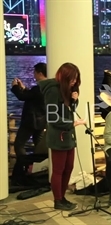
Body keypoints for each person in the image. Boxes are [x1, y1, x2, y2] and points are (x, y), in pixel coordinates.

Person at [39, 63, 86, 211]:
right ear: (64, 77)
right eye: (72, 79)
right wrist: (71, 123)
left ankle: (62, 197)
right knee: (59, 169)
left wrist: (74, 100)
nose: (74, 82)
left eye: (76, 79)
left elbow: (68, 110)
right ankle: (58, 200)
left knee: (69, 167)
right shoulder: (53, 91)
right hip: (58, 135)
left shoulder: (66, 90)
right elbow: (53, 117)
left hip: (68, 135)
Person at [10, 63, 47, 185]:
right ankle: (38, 169)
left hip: (30, 122)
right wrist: (24, 88)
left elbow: (22, 97)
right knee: (39, 147)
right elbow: (31, 96)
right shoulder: (47, 87)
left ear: (40, 73)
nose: (34, 74)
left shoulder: (38, 88)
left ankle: (24, 167)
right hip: (41, 123)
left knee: (19, 144)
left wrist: (15, 87)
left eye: (35, 72)